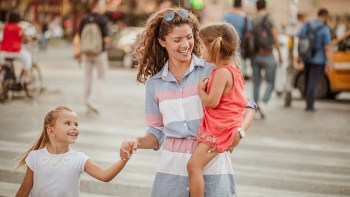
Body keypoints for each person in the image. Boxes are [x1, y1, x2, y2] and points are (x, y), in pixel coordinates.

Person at [120, 8, 256, 197]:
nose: (186, 44)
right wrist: (136, 142)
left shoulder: (212, 70)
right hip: (171, 170)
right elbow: (156, 132)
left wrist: (239, 132)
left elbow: (247, 105)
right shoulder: (155, 84)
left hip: (212, 163)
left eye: (189, 37)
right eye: (177, 40)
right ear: (162, 42)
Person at [187, 23, 247, 197]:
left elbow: (212, 102)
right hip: (226, 128)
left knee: (193, 166)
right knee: (196, 166)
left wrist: (200, 92)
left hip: (218, 129)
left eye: (203, 46)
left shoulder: (221, 73)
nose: (200, 50)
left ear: (214, 48)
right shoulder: (235, 70)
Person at [15, 106, 128, 197]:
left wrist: (123, 159)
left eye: (76, 124)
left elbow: (104, 176)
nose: (74, 127)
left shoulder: (79, 159)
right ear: (51, 131)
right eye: (67, 123)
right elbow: (24, 191)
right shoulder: (35, 157)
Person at [251, 0, 282, 118]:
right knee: (270, 82)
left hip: (256, 54)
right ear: (266, 6)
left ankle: (254, 107)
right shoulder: (270, 19)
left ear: (256, 7)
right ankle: (263, 102)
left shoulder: (253, 20)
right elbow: (275, 36)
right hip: (268, 55)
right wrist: (279, 53)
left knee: (256, 83)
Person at [78, 0, 110, 114]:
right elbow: (106, 39)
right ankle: (92, 100)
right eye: (103, 4)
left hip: (86, 53)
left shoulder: (84, 19)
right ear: (98, 6)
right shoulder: (102, 19)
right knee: (101, 77)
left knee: (87, 77)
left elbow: (80, 37)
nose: (105, 7)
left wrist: (80, 53)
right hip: (99, 53)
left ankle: (87, 103)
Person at [298, 8, 332, 112]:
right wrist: (330, 63)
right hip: (319, 60)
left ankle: (308, 104)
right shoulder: (325, 29)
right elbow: (327, 48)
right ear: (325, 16)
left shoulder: (307, 25)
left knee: (308, 81)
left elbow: (299, 41)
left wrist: (300, 56)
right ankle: (310, 106)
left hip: (307, 58)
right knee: (314, 83)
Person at [222, 0, 252, 79]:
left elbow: (221, 31)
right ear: (241, 6)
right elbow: (249, 32)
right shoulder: (245, 19)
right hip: (240, 49)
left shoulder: (226, 16)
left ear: (233, 5)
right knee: (238, 75)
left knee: (227, 73)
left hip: (226, 49)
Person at [0, 11, 32, 84]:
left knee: (2, 65)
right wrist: (31, 41)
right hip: (15, 51)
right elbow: (26, 38)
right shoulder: (18, 28)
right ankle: (26, 77)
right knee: (28, 57)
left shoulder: (5, 27)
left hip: (3, 52)